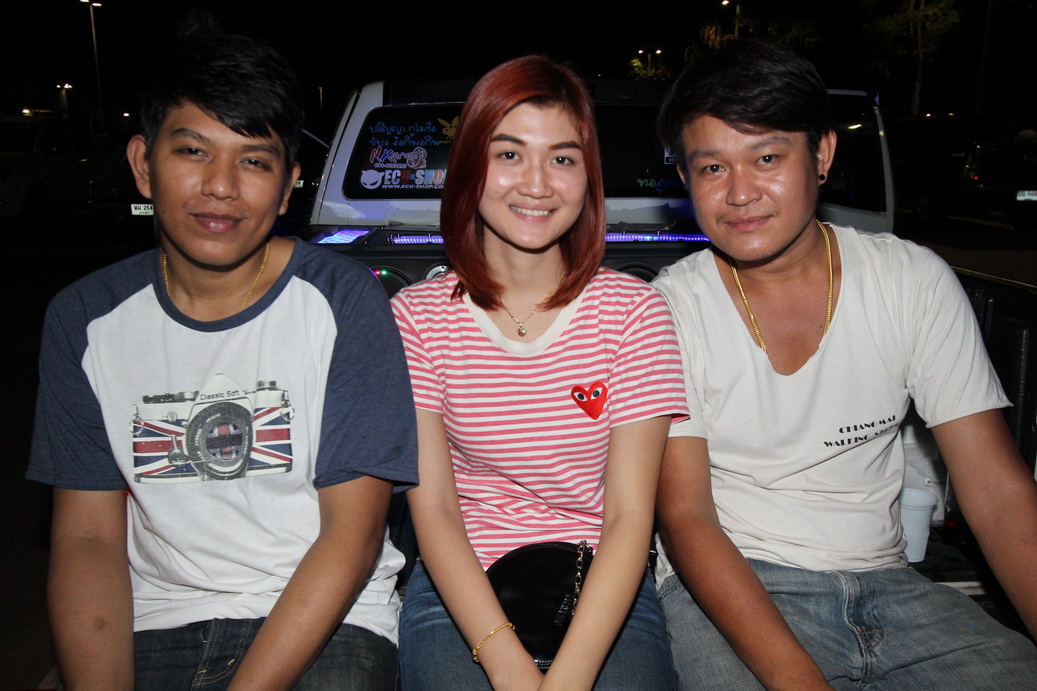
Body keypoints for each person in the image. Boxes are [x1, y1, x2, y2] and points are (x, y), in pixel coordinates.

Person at [27, 19, 417, 690]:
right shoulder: (85, 320)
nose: (221, 185)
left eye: (254, 160)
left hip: (324, 617)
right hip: (154, 616)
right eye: (192, 151)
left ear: (288, 185)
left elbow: (350, 537)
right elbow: (87, 540)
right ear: (142, 164)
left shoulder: (342, 301)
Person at [651, 39, 1037, 690]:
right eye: (712, 167)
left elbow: (996, 490)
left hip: (893, 583)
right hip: (734, 585)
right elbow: (686, 516)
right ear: (686, 180)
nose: (740, 192)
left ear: (822, 154)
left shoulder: (909, 279)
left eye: (767, 157)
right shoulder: (669, 307)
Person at [391, 56, 688, 690]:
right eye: (509, 154)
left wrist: (569, 678)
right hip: (460, 583)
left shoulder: (634, 313)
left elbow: (628, 516)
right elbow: (435, 510)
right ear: (470, 167)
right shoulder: (417, 318)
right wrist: (508, 666)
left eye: (562, 158)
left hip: (602, 578)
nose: (537, 184)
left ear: (588, 176)